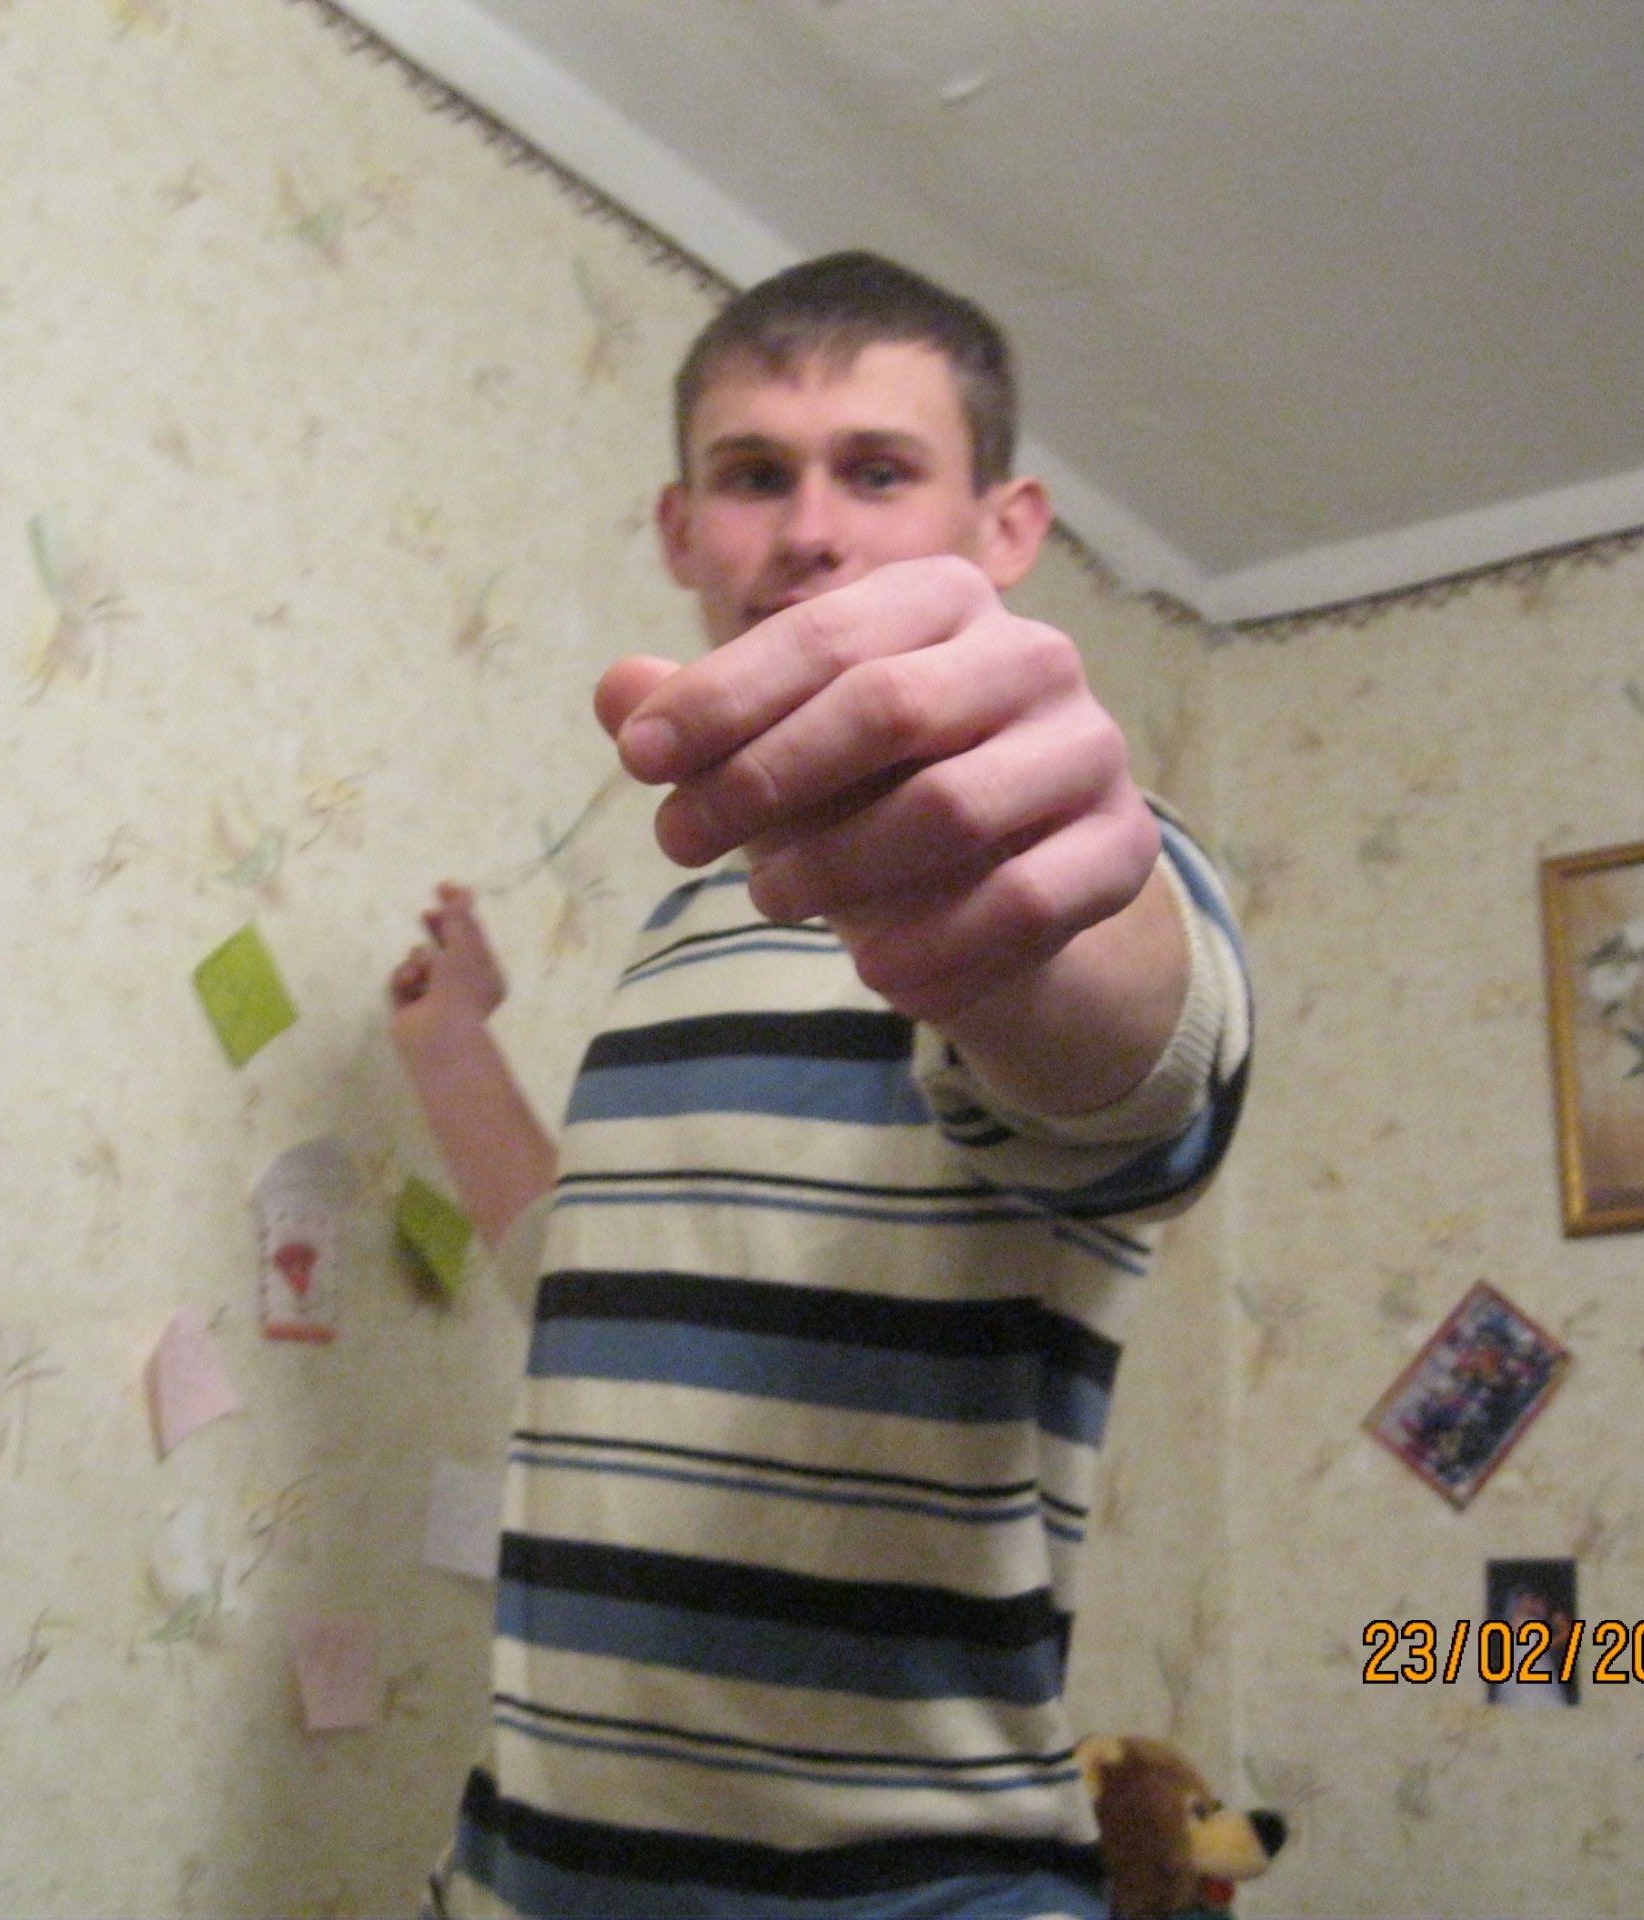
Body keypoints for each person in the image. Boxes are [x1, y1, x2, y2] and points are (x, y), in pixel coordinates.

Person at [391, 252, 1252, 1919]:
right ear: (679, 531)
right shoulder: (684, 922)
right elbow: (588, 1288)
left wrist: (1036, 918)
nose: (808, 530)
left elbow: (1149, 1089)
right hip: (520, 1881)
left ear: (1006, 528)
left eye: (876, 469)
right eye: (753, 475)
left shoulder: (1062, 871)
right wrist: (450, 1054)